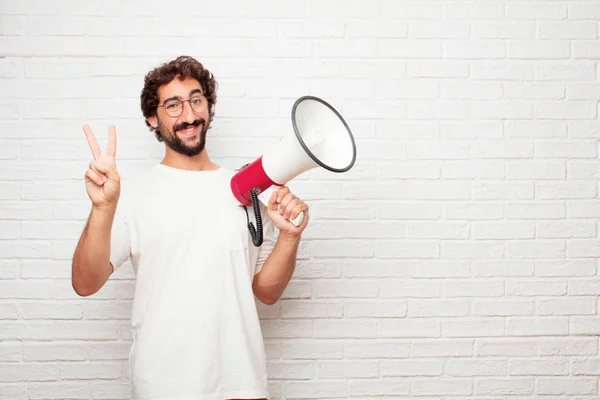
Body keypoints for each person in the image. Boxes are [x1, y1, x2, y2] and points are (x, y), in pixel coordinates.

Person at [71, 55, 309, 400]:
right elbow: (85, 282)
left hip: (240, 383)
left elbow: (266, 292)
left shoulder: (244, 190)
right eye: (173, 105)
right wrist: (102, 207)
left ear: (208, 108)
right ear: (153, 118)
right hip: (163, 385)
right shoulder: (131, 195)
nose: (189, 115)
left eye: (197, 100)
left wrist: (289, 236)